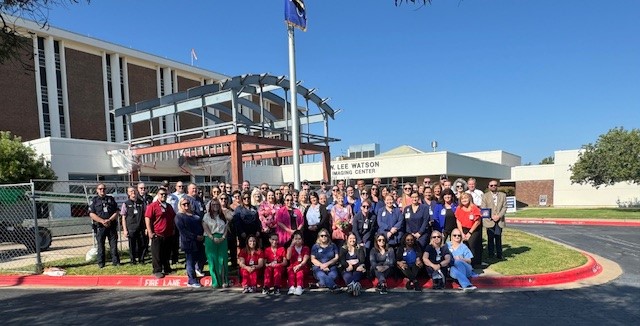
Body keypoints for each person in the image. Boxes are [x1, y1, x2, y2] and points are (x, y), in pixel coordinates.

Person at [145, 188, 176, 279]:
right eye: (161, 194)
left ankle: (167, 268)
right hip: (157, 234)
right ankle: (157, 270)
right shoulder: (153, 206)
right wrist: (150, 231)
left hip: (168, 234)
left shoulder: (169, 206)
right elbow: (147, 218)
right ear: (158, 195)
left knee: (166, 253)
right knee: (156, 254)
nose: (163, 196)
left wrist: (173, 228)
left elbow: (173, 218)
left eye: (165, 194)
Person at [175, 197, 205, 288]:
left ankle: (198, 269)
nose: (186, 205)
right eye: (184, 204)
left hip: (200, 240)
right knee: (190, 261)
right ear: (180, 205)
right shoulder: (179, 216)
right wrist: (195, 237)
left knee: (203, 256)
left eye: (188, 203)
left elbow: (201, 223)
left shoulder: (194, 213)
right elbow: (183, 231)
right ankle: (191, 280)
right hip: (188, 241)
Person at [89, 183, 120, 268]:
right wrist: (102, 221)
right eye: (100, 189)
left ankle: (116, 261)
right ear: (97, 190)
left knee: (113, 244)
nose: (102, 190)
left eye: (104, 189)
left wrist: (109, 220)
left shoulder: (111, 199)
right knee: (101, 245)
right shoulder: (94, 200)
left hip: (111, 225)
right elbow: (91, 214)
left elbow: (117, 211)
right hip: (100, 226)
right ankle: (101, 263)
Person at [202, 199, 230, 288]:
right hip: (210, 239)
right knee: (212, 260)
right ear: (210, 206)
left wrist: (223, 237)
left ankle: (224, 281)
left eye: (217, 204)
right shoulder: (206, 216)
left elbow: (226, 227)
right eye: (213, 204)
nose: (215, 206)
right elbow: (205, 226)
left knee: (223, 260)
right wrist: (212, 237)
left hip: (222, 239)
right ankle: (215, 282)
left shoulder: (223, 216)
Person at [455, 192, 483, 267]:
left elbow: (478, 221)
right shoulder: (459, 208)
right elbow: (458, 221)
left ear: (469, 199)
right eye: (462, 198)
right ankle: (463, 263)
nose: (464, 200)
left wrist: (470, 233)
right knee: (463, 245)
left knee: (471, 244)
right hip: (463, 229)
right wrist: (461, 233)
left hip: (473, 229)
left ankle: (472, 264)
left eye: (466, 198)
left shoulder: (474, 208)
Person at [481, 180, 507, 260]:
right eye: (491, 185)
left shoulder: (503, 195)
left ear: (497, 186)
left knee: (498, 237)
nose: (493, 186)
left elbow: (504, 207)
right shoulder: (485, 196)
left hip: (499, 221)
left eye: (495, 185)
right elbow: (483, 208)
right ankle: (491, 254)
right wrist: (491, 216)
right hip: (489, 221)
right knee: (490, 238)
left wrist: (499, 216)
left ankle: (499, 254)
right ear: (488, 186)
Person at [120, 186, 145, 265]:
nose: (133, 192)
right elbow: (123, 217)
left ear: (137, 192)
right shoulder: (126, 204)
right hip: (131, 228)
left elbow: (146, 215)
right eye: (131, 191)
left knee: (142, 244)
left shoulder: (142, 202)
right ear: (128, 193)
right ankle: (133, 260)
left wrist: (147, 228)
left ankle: (141, 260)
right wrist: (125, 229)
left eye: (134, 191)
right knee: (132, 245)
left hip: (141, 227)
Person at [339, 232, 366, 297]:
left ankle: (352, 288)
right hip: (347, 268)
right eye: (350, 238)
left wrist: (354, 266)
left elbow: (362, 260)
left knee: (357, 273)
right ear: (347, 239)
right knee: (347, 275)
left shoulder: (359, 248)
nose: (352, 240)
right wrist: (348, 265)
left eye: (354, 238)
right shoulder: (343, 248)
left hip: (357, 268)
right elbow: (342, 260)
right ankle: (355, 287)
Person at [286, 230, 310, 296]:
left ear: (302, 240)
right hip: (292, 266)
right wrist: (291, 245)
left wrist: (299, 265)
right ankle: (292, 287)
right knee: (291, 271)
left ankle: (299, 287)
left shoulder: (306, 248)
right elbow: (288, 257)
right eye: (295, 239)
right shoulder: (290, 248)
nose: (297, 241)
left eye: (299, 239)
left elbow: (304, 260)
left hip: (302, 266)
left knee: (300, 271)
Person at [218, 193, 237, 269]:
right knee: (222, 253)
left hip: (231, 234)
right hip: (220, 235)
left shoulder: (231, 210)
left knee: (233, 252)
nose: (223, 200)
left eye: (225, 199)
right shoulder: (216, 210)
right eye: (221, 199)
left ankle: (234, 266)